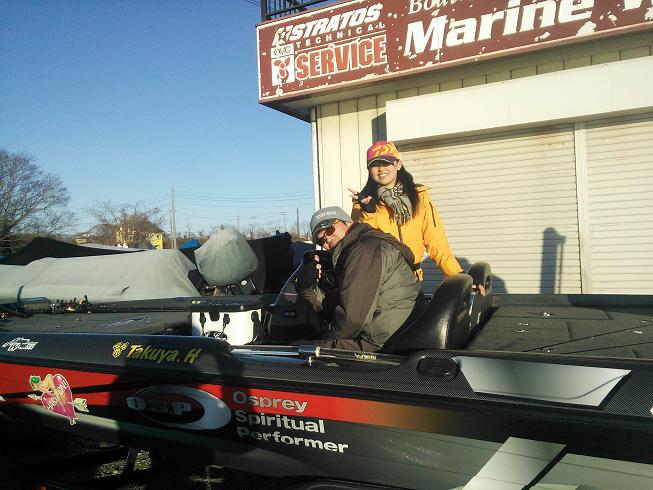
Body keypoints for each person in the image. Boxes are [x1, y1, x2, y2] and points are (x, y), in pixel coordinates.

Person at [295, 206, 423, 352]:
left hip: (386, 343)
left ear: (348, 222)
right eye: (320, 239)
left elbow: (351, 321)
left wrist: (321, 347)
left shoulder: (365, 251)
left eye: (329, 229)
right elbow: (337, 308)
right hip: (384, 335)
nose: (327, 238)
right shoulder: (350, 253)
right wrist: (307, 288)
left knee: (294, 351)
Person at [349, 140, 463, 281]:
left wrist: (456, 274)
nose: (381, 169)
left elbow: (436, 240)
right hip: (382, 280)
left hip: (413, 277)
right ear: (369, 169)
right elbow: (363, 245)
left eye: (386, 163)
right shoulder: (362, 203)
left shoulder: (420, 196)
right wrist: (369, 212)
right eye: (374, 165)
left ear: (398, 164)